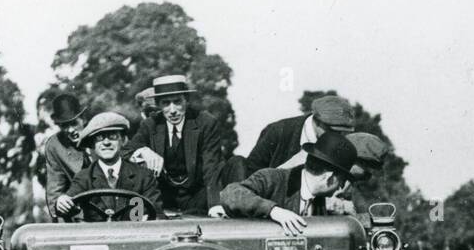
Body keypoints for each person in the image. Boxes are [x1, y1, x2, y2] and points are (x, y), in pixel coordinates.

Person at [219, 131, 358, 235]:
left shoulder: (318, 201)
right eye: (342, 181)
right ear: (329, 177)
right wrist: (273, 211)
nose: (341, 187)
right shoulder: (272, 179)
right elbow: (230, 194)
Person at [126, 75, 225, 217]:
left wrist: (215, 205)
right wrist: (143, 151)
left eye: (177, 102)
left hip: (198, 197)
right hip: (164, 199)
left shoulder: (206, 122)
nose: (172, 110)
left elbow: (212, 165)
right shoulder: (150, 124)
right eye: (166, 103)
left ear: (187, 100)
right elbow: (125, 151)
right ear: (158, 104)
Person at [219, 95, 355, 188]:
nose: (338, 136)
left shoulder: (339, 142)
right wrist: (287, 169)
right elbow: (252, 177)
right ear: (317, 121)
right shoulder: (278, 131)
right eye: (332, 130)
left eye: (342, 132)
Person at [64, 112, 161, 221]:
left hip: (133, 231)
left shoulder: (143, 176)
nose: (106, 142)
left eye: (112, 136)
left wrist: (147, 220)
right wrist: (62, 202)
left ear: (123, 140)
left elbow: (157, 213)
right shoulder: (83, 177)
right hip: (97, 232)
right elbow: (68, 203)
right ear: (93, 144)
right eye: (99, 137)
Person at [42, 92, 89, 221]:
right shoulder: (55, 146)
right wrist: (59, 203)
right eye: (64, 125)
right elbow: (55, 188)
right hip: (80, 216)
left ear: (84, 119)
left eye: (74, 123)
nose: (70, 130)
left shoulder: (101, 136)